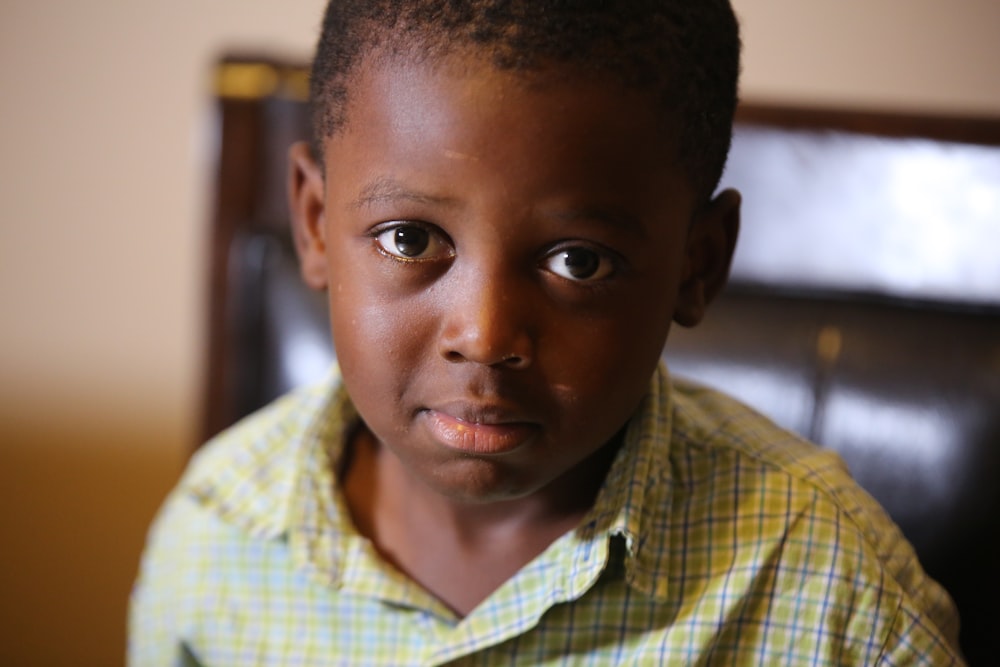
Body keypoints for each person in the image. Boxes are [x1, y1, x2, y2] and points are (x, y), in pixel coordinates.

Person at [129, 1, 964, 664]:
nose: (485, 335)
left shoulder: (835, 595)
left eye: (581, 262)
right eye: (411, 239)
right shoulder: (219, 534)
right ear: (314, 224)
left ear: (696, 267)